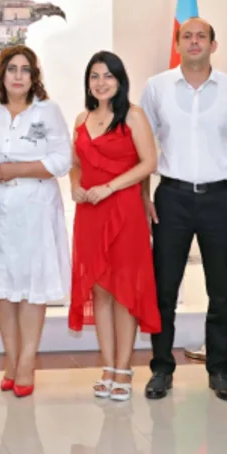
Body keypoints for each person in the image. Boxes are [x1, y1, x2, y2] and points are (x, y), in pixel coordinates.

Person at [141, 17, 227, 402]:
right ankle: (161, 368)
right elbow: (142, 145)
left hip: (219, 199)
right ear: (177, 43)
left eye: (201, 36)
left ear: (213, 44)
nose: (194, 42)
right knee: (164, 288)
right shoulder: (156, 87)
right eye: (187, 36)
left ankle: (219, 369)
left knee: (222, 289)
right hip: (171, 197)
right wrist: (144, 196)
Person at [0, 45, 72, 398]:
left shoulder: (48, 111)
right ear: (2, 75)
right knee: (1, 287)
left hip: (35, 211)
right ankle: (10, 357)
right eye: (12, 69)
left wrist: (17, 169)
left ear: (34, 76)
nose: (18, 76)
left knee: (31, 286)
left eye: (25, 69)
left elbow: (62, 160)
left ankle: (26, 362)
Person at [68, 51, 160, 401]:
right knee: (100, 290)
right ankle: (107, 366)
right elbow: (76, 163)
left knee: (124, 290)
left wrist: (110, 187)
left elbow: (149, 162)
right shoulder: (82, 118)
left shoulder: (133, 115)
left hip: (123, 211)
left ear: (120, 81)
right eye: (95, 76)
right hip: (90, 212)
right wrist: (75, 185)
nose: (101, 82)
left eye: (108, 75)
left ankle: (124, 368)